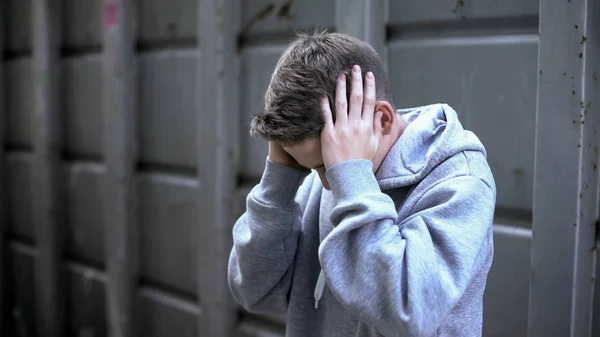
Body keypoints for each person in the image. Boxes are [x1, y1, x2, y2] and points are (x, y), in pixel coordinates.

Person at [228, 31, 496, 337]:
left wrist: (350, 177)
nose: (326, 184)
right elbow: (253, 291)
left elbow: (408, 313)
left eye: (322, 167)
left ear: (382, 120)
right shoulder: (325, 172)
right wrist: (279, 181)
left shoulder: (460, 182)